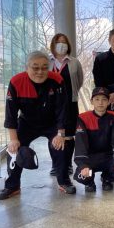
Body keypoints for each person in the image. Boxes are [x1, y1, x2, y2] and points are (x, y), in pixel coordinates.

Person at [0, 51, 75, 200]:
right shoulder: (16, 82)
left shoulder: (57, 80)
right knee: (13, 150)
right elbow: (11, 114)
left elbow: (62, 110)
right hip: (27, 122)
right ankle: (12, 186)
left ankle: (63, 181)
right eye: (35, 67)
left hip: (52, 122)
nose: (40, 72)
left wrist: (60, 134)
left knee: (61, 145)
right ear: (27, 67)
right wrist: (13, 140)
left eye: (44, 67)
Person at [73, 87, 114, 192]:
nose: (100, 103)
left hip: (107, 157)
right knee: (82, 175)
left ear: (108, 102)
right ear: (91, 101)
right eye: (97, 99)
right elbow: (80, 144)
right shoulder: (83, 118)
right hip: (89, 159)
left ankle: (106, 178)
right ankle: (90, 182)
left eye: (104, 99)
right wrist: (83, 165)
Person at [49, 33, 84, 176]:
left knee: (69, 135)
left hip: (70, 103)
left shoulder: (74, 62)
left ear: (68, 45)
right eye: (58, 42)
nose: (61, 45)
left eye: (64, 42)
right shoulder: (47, 61)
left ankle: (67, 164)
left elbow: (80, 80)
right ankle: (56, 164)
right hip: (51, 105)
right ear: (53, 44)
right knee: (53, 134)